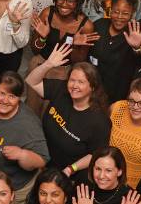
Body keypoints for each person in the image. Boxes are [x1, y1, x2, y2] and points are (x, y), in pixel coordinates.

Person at [25, 46, 111, 174]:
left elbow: (95, 154)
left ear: (92, 87)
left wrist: (71, 169)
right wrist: (48, 64)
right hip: (42, 161)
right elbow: (31, 81)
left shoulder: (100, 122)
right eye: (72, 80)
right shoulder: (61, 90)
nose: (74, 86)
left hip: (68, 173)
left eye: (81, 82)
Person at [0, 72, 49, 204]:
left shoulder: (29, 124)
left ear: (20, 98)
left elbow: (41, 160)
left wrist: (22, 155)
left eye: (12, 96)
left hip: (13, 187)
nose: (5, 100)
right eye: (2, 93)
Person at [27, 0, 96, 112]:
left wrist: (75, 46)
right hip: (40, 65)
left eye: (70, 0)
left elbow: (78, 62)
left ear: (78, 3)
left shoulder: (86, 26)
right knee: (32, 108)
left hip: (64, 73)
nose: (64, 4)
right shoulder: (48, 13)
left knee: (51, 112)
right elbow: (35, 50)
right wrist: (42, 37)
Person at [88, 0, 141, 102]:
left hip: (116, 95)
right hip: (92, 88)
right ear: (110, 10)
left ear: (132, 13)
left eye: (125, 13)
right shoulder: (100, 25)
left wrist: (137, 47)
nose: (119, 17)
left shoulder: (135, 31)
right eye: (116, 12)